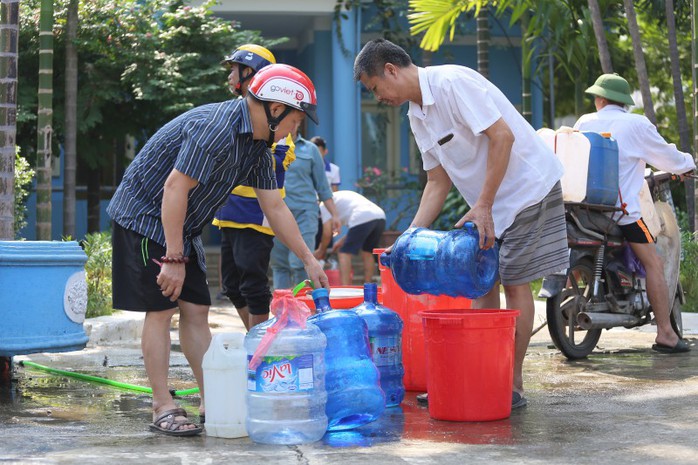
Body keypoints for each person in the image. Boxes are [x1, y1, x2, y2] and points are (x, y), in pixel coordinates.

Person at [107, 64, 329, 437]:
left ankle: (214, 399)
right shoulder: (217, 129)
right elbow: (174, 188)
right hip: (145, 217)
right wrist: (174, 258)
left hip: (185, 224)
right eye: (297, 118)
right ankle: (162, 405)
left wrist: (309, 258)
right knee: (161, 308)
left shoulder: (260, 147)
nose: (298, 128)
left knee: (197, 309)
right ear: (276, 110)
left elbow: (274, 207)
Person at [354, 38, 569, 409]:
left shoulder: (452, 83)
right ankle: (479, 373)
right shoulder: (416, 115)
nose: (379, 97)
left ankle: (511, 385)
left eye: (375, 88)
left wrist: (483, 204)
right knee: (479, 282)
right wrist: (408, 237)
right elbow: (438, 181)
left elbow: (502, 136)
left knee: (515, 284)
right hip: (488, 203)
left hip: (526, 189)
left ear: (390, 70)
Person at [574, 73, 696, 353]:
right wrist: (687, 164)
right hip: (621, 212)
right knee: (654, 263)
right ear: (623, 101)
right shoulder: (636, 124)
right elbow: (668, 158)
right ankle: (665, 333)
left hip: (582, 210)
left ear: (601, 100)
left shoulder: (584, 122)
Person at [212, 44, 294, 331]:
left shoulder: (274, 118)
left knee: (252, 284)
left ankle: (261, 347)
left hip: (255, 216)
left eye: (234, 69)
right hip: (229, 213)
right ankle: (256, 340)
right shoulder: (236, 113)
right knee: (232, 286)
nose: (229, 76)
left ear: (250, 72)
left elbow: (272, 164)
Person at [270, 126, 341, 289]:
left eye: (296, 120)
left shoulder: (311, 150)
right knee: (279, 264)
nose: (292, 124)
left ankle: (304, 307)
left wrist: (335, 215)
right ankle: (284, 309)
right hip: (276, 215)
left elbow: (323, 187)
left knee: (301, 261)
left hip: (305, 214)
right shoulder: (269, 147)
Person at [315, 190, 386, 285]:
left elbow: (327, 233)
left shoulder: (324, 204)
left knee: (344, 252)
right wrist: (341, 241)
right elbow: (357, 229)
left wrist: (321, 250)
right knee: (367, 251)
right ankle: (368, 287)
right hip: (380, 216)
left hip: (361, 216)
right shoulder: (338, 196)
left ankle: (346, 288)